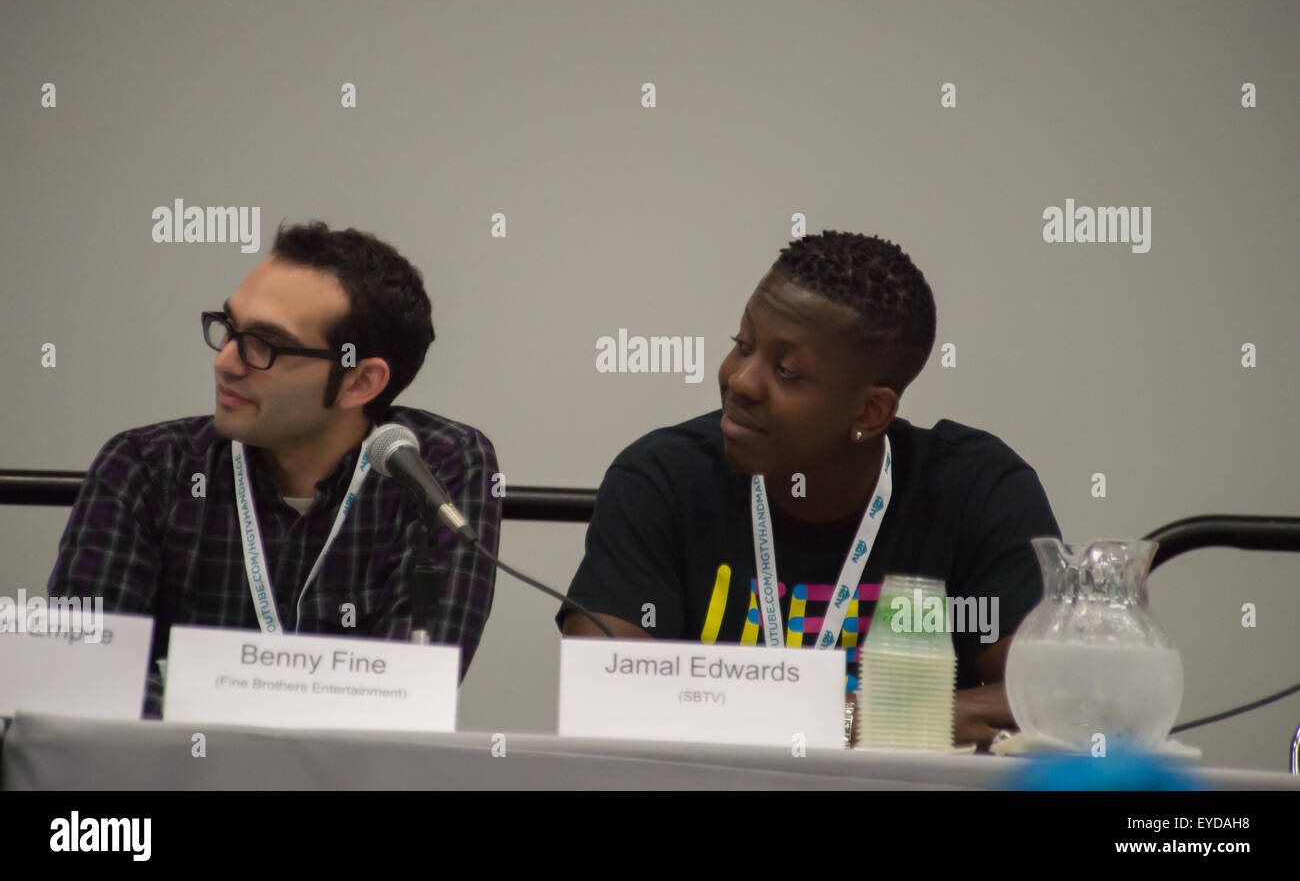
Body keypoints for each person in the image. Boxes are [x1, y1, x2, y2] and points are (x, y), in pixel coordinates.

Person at [558, 230, 1060, 749]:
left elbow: (1060, 702)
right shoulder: (662, 480)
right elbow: (606, 697)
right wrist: (859, 719)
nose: (740, 381)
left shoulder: (973, 491)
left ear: (869, 412)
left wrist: (832, 717)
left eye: (786, 371)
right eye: (742, 345)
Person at [49, 221, 500, 717]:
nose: (225, 361)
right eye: (229, 328)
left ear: (359, 382)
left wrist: (198, 697)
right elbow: (83, 680)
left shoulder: (433, 468)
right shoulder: (147, 467)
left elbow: (406, 697)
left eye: (265, 345)